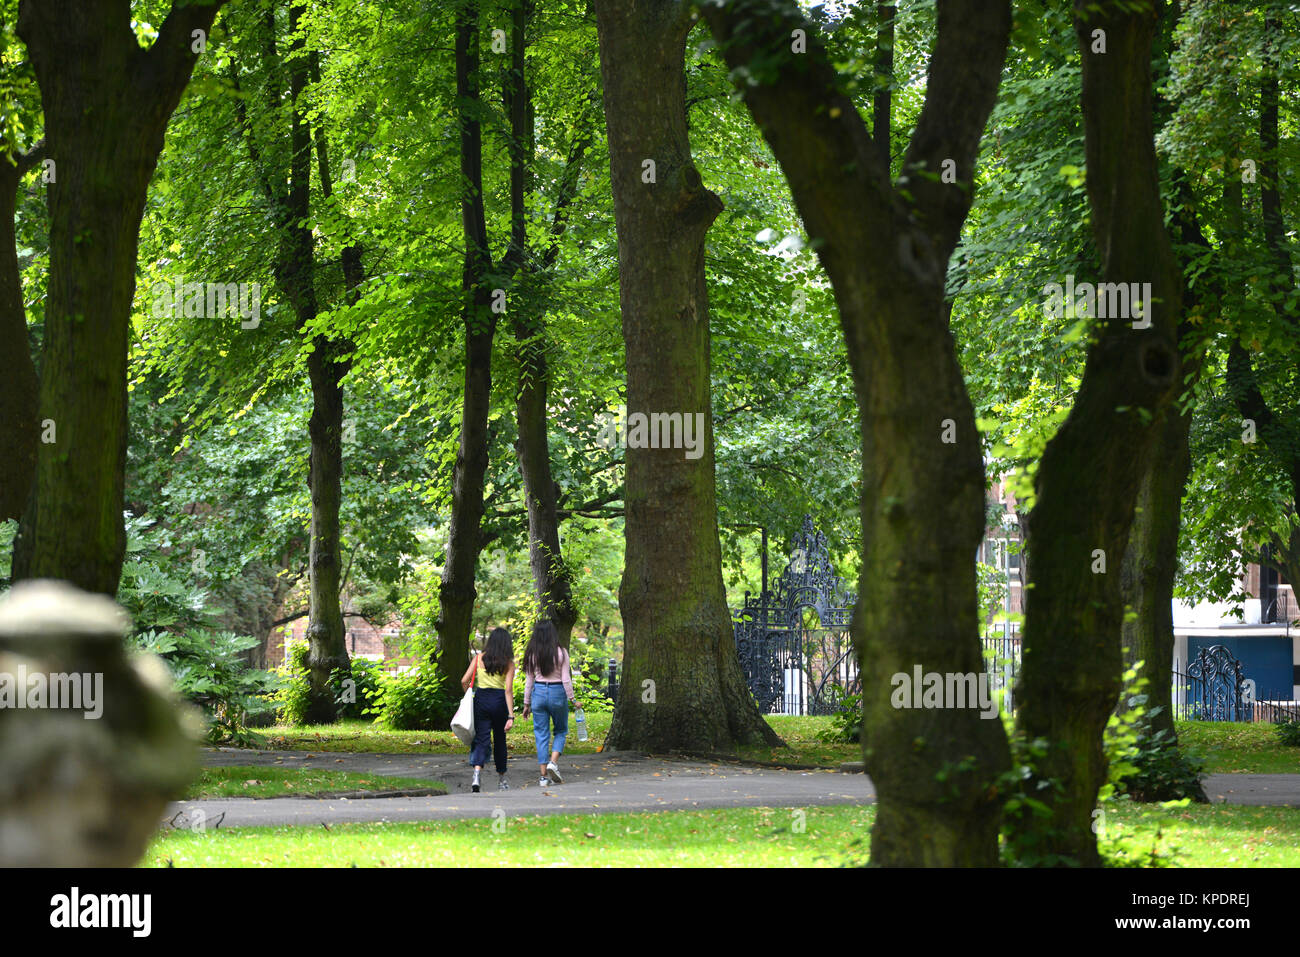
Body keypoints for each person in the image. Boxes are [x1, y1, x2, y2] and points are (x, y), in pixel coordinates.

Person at [522, 618, 577, 787]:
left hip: (538, 693)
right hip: (557, 693)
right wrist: (573, 699)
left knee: (541, 734)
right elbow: (566, 679)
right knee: (560, 730)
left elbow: (529, 680)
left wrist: (526, 704)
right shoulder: (561, 652)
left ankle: (543, 776)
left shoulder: (532, 653)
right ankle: (553, 762)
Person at [460, 627, 515, 793]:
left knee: (482, 739)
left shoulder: (478, 659)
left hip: (481, 700)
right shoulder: (509, 663)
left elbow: (464, 680)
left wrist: (469, 696)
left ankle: (477, 773)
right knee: (500, 741)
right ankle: (502, 780)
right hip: (499, 702)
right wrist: (511, 716)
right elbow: (508, 690)